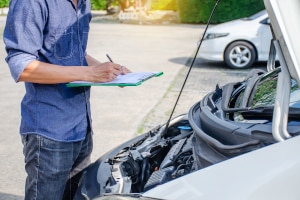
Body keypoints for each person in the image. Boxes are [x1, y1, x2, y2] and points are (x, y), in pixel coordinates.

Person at [3, 0, 129, 199]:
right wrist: (90, 73)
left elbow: (76, 53)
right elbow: (22, 64)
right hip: (49, 133)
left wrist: (109, 72)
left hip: (81, 126)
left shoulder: (83, 3)